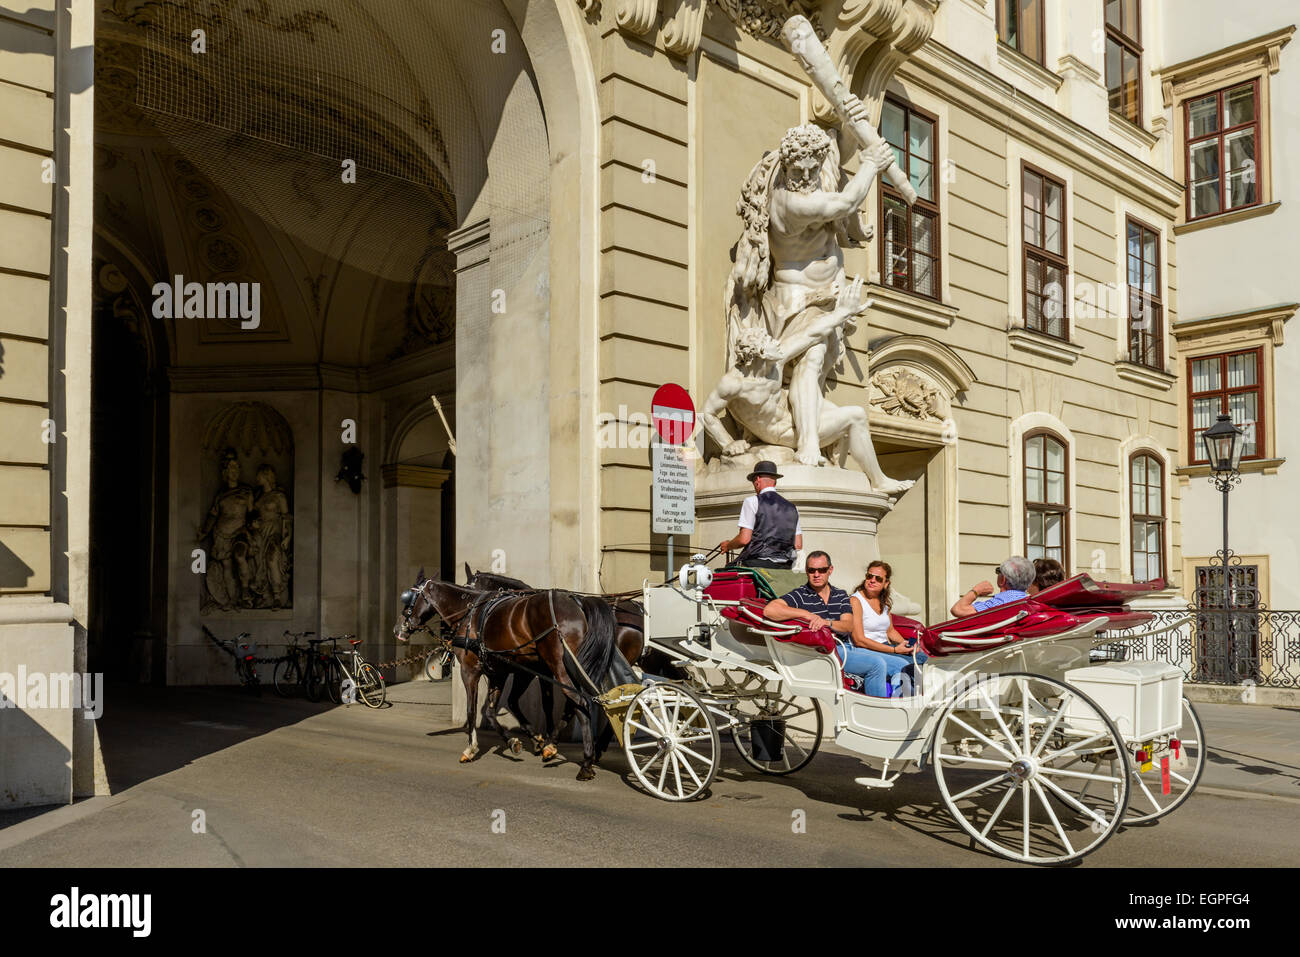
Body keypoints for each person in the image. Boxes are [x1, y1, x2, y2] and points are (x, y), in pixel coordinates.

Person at [840, 560, 925, 698]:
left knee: (923, 658)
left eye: (878, 578)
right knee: (907, 665)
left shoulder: (883, 602)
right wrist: (894, 650)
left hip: (886, 646)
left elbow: (890, 631)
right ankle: (902, 703)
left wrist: (907, 645)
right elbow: (859, 640)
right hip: (867, 649)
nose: (872, 580)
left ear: (886, 583)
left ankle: (920, 698)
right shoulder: (855, 601)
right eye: (869, 576)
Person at [717, 460, 803, 569]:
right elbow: (798, 545)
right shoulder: (792, 508)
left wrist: (728, 545)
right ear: (775, 482)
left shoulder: (752, 501)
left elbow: (744, 539)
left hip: (757, 562)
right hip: (785, 566)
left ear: (757, 479)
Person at [762, 551, 851, 635]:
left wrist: (826, 623)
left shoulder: (841, 594)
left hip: (843, 646)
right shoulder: (801, 594)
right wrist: (807, 615)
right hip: (819, 648)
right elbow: (770, 610)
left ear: (830, 570)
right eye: (811, 570)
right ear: (806, 571)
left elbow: (848, 626)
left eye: (822, 570)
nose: (816, 575)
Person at [950, 555, 1035, 618]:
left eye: (998, 571)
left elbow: (957, 610)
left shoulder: (1000, 603)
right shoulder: (1030, 602)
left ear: (1003, 579)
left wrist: (976, 590)